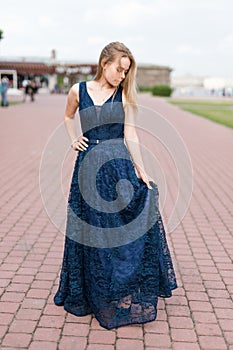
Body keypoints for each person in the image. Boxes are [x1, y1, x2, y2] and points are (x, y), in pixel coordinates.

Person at [54, 41, 177, 330]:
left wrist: (141, 169)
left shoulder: (123, 96)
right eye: (119, 70)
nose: (122, 76)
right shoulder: (78, 91)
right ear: (105, 62)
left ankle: (114, 288)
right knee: (87, 228)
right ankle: (88, 292)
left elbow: (130, 135)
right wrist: (73, 137)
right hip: (86, 168)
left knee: (115, 229)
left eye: (126, 72)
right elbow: (68, 116)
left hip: (118, 167)